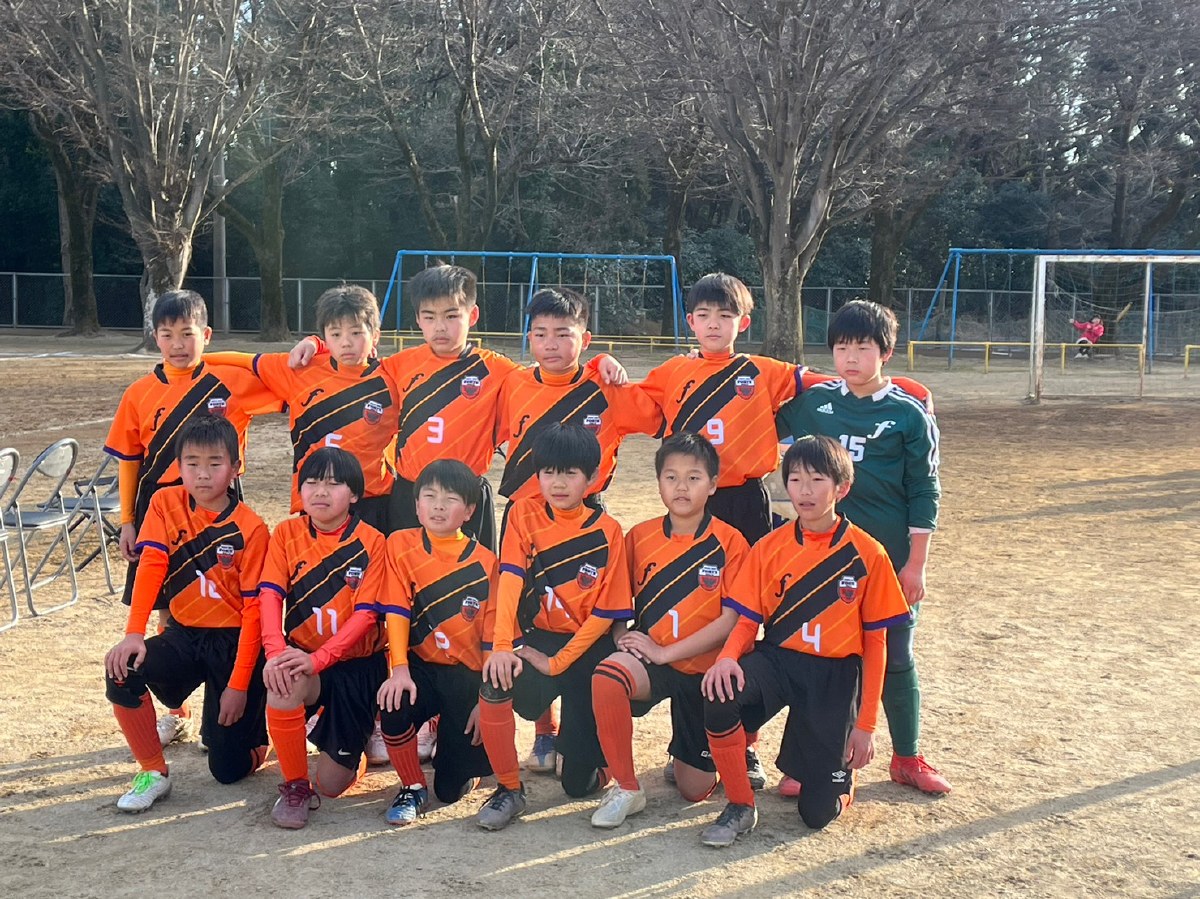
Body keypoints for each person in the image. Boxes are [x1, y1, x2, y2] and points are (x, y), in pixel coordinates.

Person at [698, 436, 910, 847]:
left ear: (842, 488)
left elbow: (876, 645)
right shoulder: (769, 547)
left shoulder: (869, 554)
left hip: (834, 675)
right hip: (779, 660)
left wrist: (865, 726)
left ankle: (840, 780)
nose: (805, 491)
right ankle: (740, 805)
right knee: (719, 692)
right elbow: (747, 620)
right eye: (795, 479)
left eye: (817, 480)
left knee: (815, 815)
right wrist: (726, 658)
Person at [775, 299, 949, 795]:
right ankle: (814, 762)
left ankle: (907, 757)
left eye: (864, 348)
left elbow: (925, 490)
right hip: (824, 559)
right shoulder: (815, 403)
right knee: (825, 656)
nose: (851, 358)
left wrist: (916, 564)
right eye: (842, 347)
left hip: (889, 558)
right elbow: (760, 414)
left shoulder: (908, 413)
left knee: (895, 655)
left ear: (886, 353)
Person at [104, 289, 282, 746]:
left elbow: (288, 384)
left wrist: (224, 357)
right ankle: (176, 709)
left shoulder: (230, 380)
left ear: (207, 334)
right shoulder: (139, 392)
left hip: (219, 502)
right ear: (155, 337)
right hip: (159, 508)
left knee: (226, 598)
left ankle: (228, 693)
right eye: (166, 335)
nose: (178, 344)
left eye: (188, 334)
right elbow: (129, 459)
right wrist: (128, 519)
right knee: (168, 606)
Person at [494, 287, 660, 772]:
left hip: (585, 517)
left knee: (579, 613)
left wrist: (609, 368)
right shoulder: (512, 383)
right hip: (524, 520)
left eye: (564, 334)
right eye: (541, 334)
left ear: (585, 339)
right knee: (531, 618)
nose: (551, 344)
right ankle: (543, 734)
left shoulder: (603, 384)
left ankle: (576, 732)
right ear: (528, 338)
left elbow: (654, 418)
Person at [103, 416, 271, 812]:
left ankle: (256, 736)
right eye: (192, 463)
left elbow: (254, 613)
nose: (202, 474)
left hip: (234, 644)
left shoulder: (252, 529)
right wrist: (133, 633)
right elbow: (151, 567)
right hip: (184, 634)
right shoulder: (165, 503)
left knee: (227, 769)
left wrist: (239, 685)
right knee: (121, 668)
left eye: (215, 463)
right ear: (179, 466)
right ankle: (153, 771)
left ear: (236, 467)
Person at [475, 424, 633, 831]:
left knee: (578, 786)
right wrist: (502, 645)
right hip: (538, 640)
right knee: (495, 678)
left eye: (570, 473)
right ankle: (509, 789)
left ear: (592, 477)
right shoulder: (522, 514)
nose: (558, 483)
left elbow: (604, 615)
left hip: (587, 648)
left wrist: (558, 662)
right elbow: (510, 579)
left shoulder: (608, 531)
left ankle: (593, 756)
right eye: (548, 472)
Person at [588, 432, 749, 828]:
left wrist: (666, 653)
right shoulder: (638, 537)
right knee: (609, 674)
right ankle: (627, 787)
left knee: (693, 789)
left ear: (713, 484)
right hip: (652, 662)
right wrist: (622, 638)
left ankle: (696, 753)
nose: (681, 487)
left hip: (703, 674)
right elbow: (616, 604)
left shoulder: (731, 542)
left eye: (694, 478)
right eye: (671, 477)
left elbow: (730, 620)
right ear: (658, 481)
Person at [256, 447, 389, 829]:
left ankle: (354, 748)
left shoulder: (373, 542)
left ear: (355, 494)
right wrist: (276, 652)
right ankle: (296, 786)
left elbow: (365, 616)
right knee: (283, 681)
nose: (320, 491)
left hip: (357, 666)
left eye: (333, 484)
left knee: (331, 785)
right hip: (305, 658)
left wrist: (319, 659)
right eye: (312, 482)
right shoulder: (286, 533)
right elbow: (270, 595)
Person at [205, 285, 400, 533]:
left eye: (356, 332)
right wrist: (191, 360)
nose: (346, 342)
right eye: (336, 334)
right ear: (325, 337)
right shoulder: (301, 369)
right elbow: (245, 361)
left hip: (372, 502)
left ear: (375, 336)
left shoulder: (393, 378)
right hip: (316, 500)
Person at [375, 459, 499, 825]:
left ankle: (460, 756)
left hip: (467, 677)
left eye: (450, 498)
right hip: (420, 668)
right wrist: (399, 670)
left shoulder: (487, 563)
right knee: (394, 701)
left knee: (450, 789)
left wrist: (486, 698)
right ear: (416, 506)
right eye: (429, 496)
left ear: (470, 511)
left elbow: (493, 639)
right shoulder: (400, 544)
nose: (438, 506)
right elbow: (397, 609)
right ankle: (412, 786)